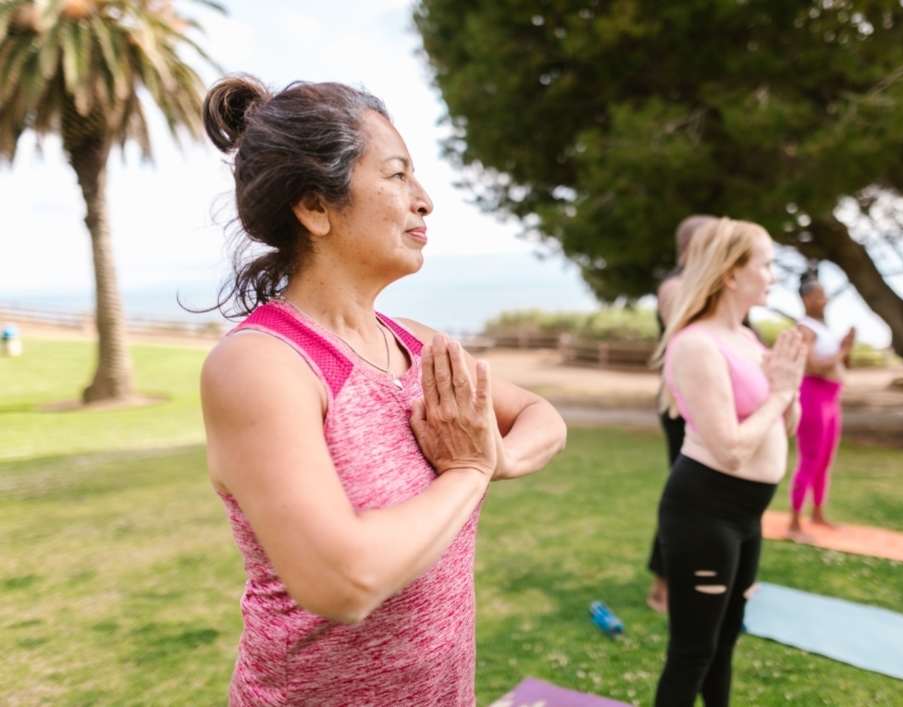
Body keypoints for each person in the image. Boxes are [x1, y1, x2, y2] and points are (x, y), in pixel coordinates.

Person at [198, 75, 567, 706]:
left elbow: (543, 417)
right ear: (315, 206)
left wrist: (497, 458)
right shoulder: (262, 365)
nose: (424, 200)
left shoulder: (417, 345)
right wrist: (472, 469)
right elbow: (344, 579)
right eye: (397, 176)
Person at [652, 218, 806, 706]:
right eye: (767, 265)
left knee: (726, 641)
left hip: (746, 515)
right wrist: (779, 393)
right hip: (705, 513)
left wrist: (788, 384)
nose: (774, 277)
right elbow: (731, 448)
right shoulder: (697, 344)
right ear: (732, 273)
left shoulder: (746, 338)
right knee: (693, 652)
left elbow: (785, 424)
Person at [647, 215, 718, 613]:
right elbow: (690, 335)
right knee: (685, 496)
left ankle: (699, 576)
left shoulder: (707, 288)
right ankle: (662, 585)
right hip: (680, 408)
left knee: (707, 499)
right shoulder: (675, 287)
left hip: (706, 404)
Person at [785, 267, 855, 542]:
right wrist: (842, 350)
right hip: (813, 397)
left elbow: (840, 362)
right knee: (810, 459)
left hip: (831, 398)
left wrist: (846, 346)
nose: (824, 300)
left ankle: (818, 513)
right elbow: (813, 365)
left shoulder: (824, 327)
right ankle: (793, 522)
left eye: (825, 295)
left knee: (825, 460)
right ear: (806, 299)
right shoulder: (804, 329)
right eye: (819, 296)